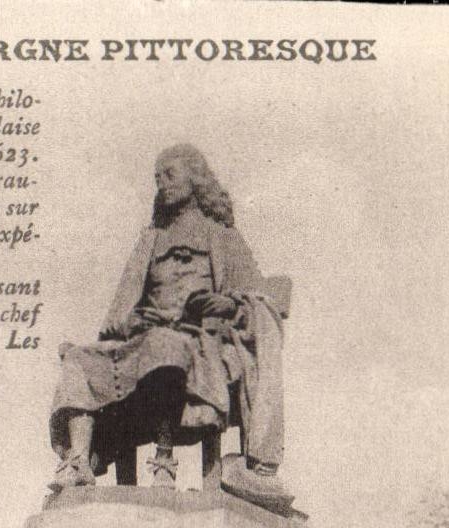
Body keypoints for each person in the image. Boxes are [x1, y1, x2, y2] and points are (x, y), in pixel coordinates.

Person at [49, 144, 285, 494]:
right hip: (143, 336)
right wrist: (129, 322)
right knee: (78, 359)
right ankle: (79, 462)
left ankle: (164, 463)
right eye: (157, 178)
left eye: (170, 175)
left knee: (164, 346)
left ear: (196, 178)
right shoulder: (151, 240)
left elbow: (256, 300)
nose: (163, 184)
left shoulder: (222, 235)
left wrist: (224, 305)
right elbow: (123, 306)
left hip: (198, 340)